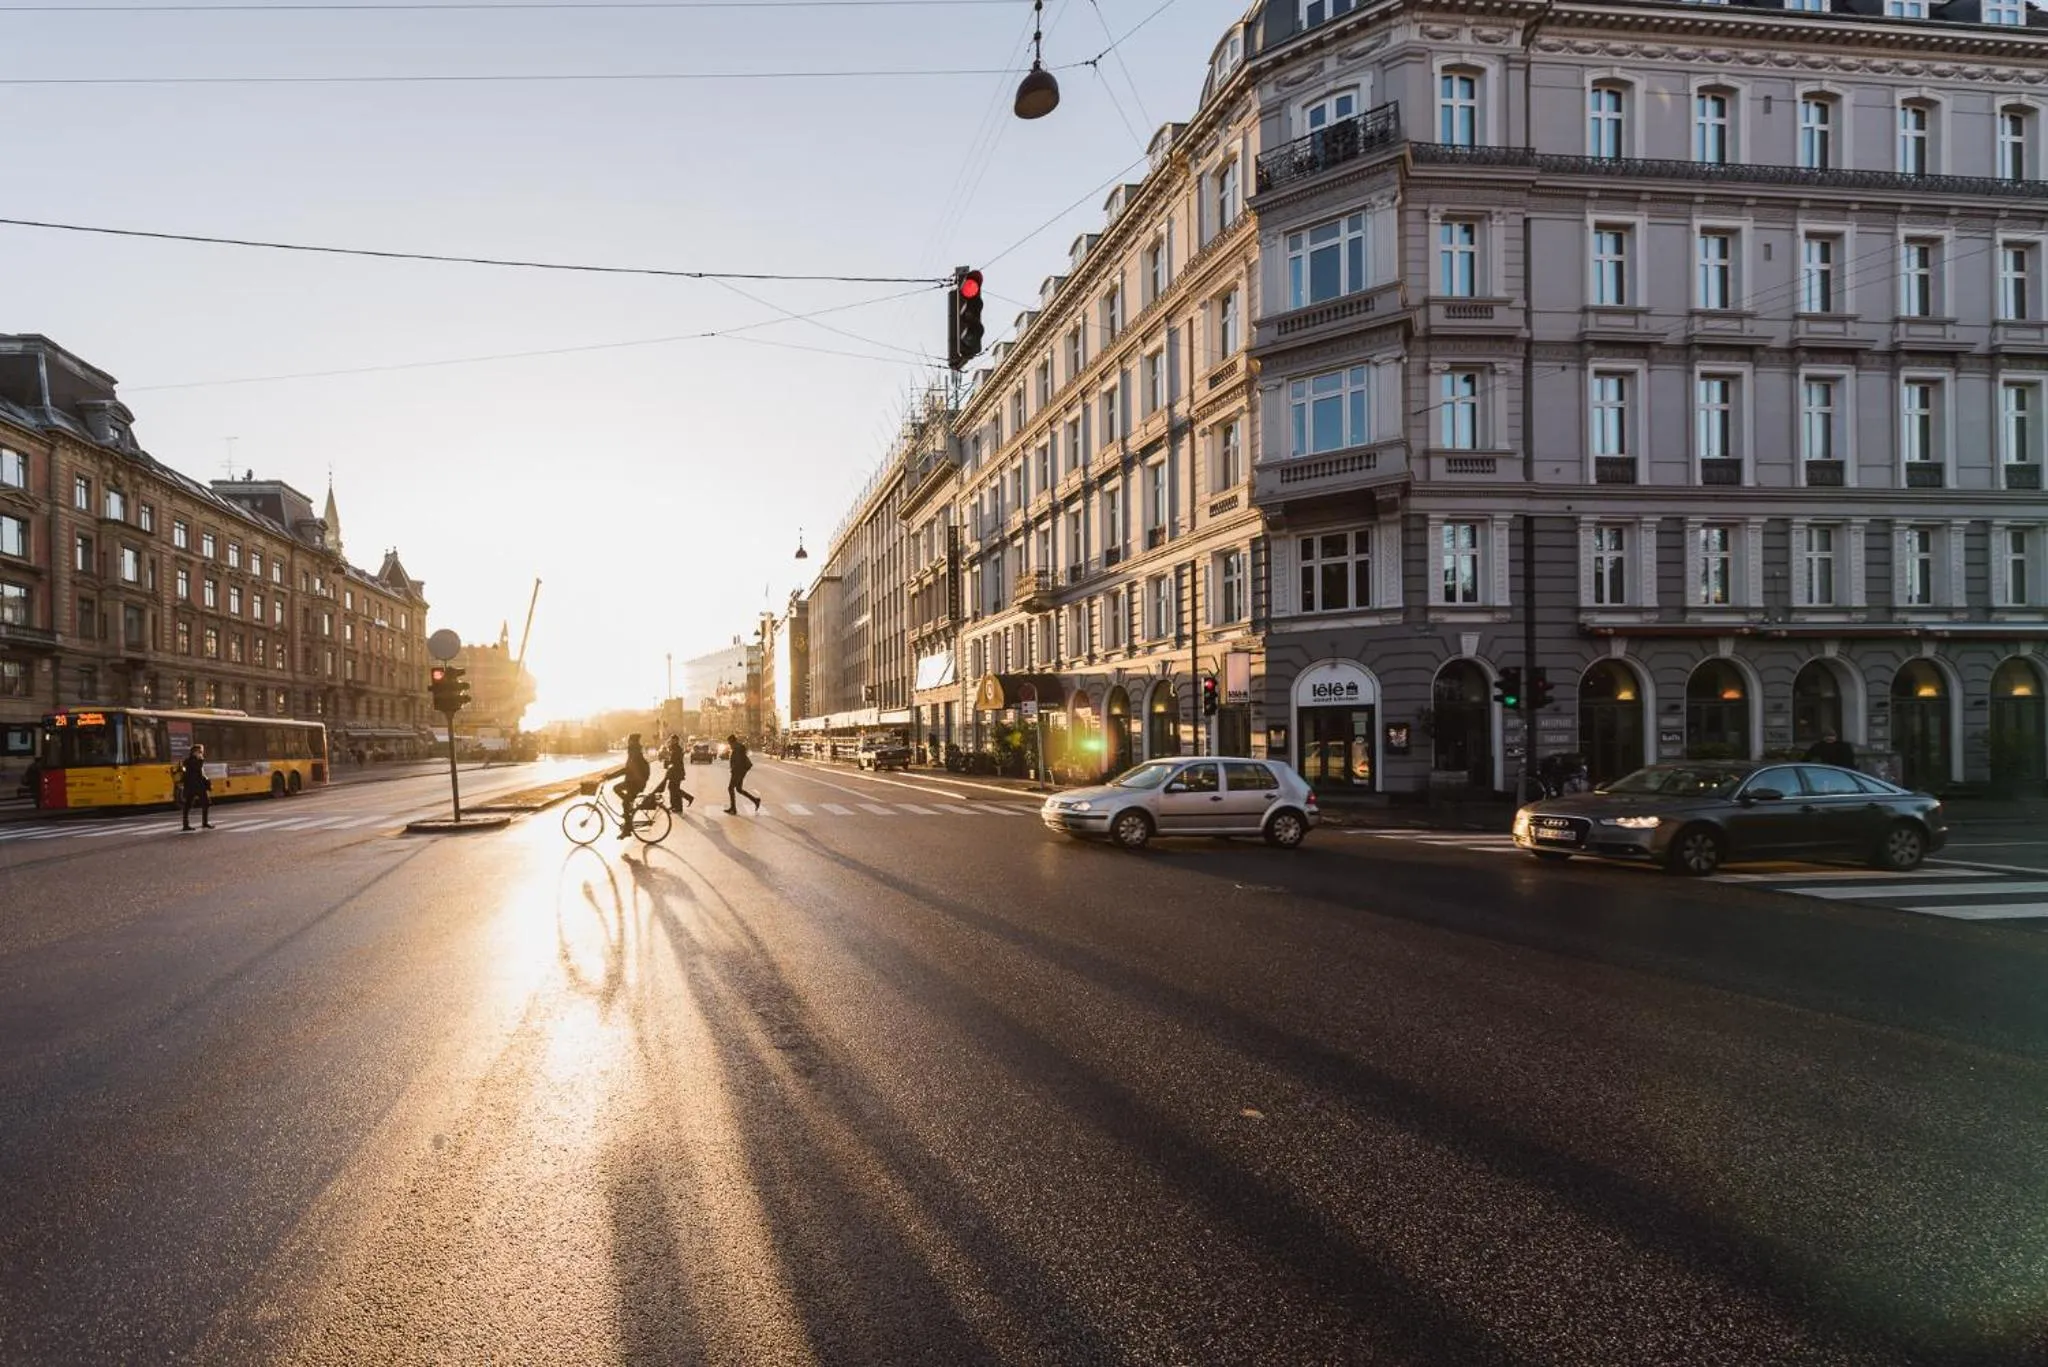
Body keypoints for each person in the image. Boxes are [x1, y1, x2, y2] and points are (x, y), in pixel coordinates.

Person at [615, 733, 651, 838]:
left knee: (624, 803)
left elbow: (627, 770)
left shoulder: (634, 752)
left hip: (635, 784)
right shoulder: (634, 751)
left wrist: (609, 776)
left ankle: (627, 830)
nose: (627, 741)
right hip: (633, 782)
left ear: (632, 741)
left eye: (629, 740)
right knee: (619, 792)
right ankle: (629, 805)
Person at [725, 733, 761, 814]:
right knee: (738, 789)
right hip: (740, 771)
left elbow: (738, 762)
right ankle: (755, 800)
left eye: (729, 743)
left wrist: (734, 771)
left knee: (730, 788)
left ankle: (733, 808)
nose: (729, 745)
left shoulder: (737, 748)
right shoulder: (737, 747)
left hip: (738, 771)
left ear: (732, 741)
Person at [658, 733, 695, 812]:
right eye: (671, 740)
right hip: (674, 772)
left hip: (677, 772)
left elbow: (674, 761)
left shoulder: (677, 749)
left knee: (674, 789)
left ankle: (680, 805)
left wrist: (666, 759)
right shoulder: (673, 748)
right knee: (673, 788)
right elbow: (671, 759)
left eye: (672, 740)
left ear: (675, 741)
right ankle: (676, 805)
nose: (670, 741)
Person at [181, 743, 213, 831]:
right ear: (195, 752)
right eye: (200, 751)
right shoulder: (191, 761)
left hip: (194, 786)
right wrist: (201, 760)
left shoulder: (187, 761)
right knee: (189, 805)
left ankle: (203, 823)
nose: (202, 753)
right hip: (195, 786)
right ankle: (187, 825)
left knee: (204, 803)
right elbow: (197, 768)